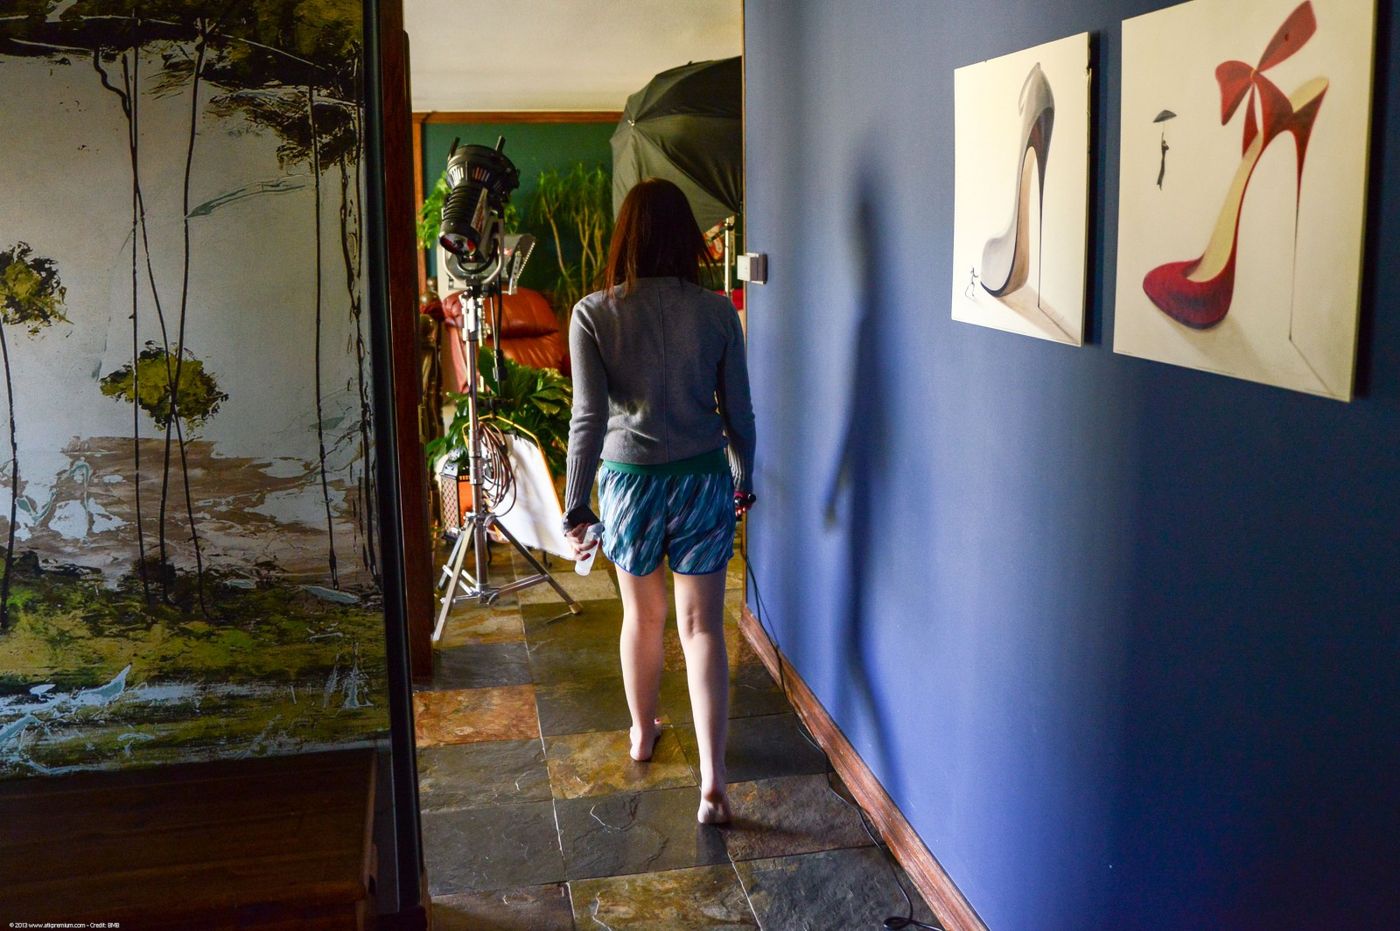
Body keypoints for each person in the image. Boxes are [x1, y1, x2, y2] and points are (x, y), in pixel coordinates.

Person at [562, 178, 756, 825]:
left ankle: (643, 733)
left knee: (643, 619)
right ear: (687, 238)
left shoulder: (593, 314)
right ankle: (714, 780)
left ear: (625, 237)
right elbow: (740, 412)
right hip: (703, 478)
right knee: (702, 627)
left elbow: (588, 418)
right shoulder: (718, 313)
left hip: (629, 484)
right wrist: (743, 478)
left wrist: (576, 503)